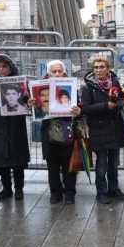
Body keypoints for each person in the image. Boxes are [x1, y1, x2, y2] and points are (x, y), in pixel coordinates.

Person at [28, 60, 81, 204]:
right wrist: (31, 104)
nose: (57, 74)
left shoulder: (70, 88)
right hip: (48, 131)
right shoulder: (40, 89)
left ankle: (69, 192)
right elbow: (36, 110)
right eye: (53, 71)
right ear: (49, 73)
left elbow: (79, 108)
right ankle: (55, 191)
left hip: (66, 129)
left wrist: (78, 111)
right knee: (52, 163)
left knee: (67, 163)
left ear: (64, 73)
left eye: (59, 71)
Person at [81, 56, 124, 204]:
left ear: (108, 69)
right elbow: (86, 109)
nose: (99, 70)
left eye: (102, 67)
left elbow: (120, 98)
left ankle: (113, 188)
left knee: (114, 163)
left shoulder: (115, 83)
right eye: (96, 67)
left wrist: (121, 102)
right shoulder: (88, 87)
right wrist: (105, 106)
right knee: (101, 164)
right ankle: (101, 191)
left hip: (114, 127)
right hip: (98, 128)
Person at [0, 54, 30, 200]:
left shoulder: (21, 84)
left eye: (4, 66)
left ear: (10, 68)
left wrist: (26, 98)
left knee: (17, 158)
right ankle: (6, 187)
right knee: (1, 158)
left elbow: (28, 100)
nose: (1, 69)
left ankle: (19, 188)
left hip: (15, 125)